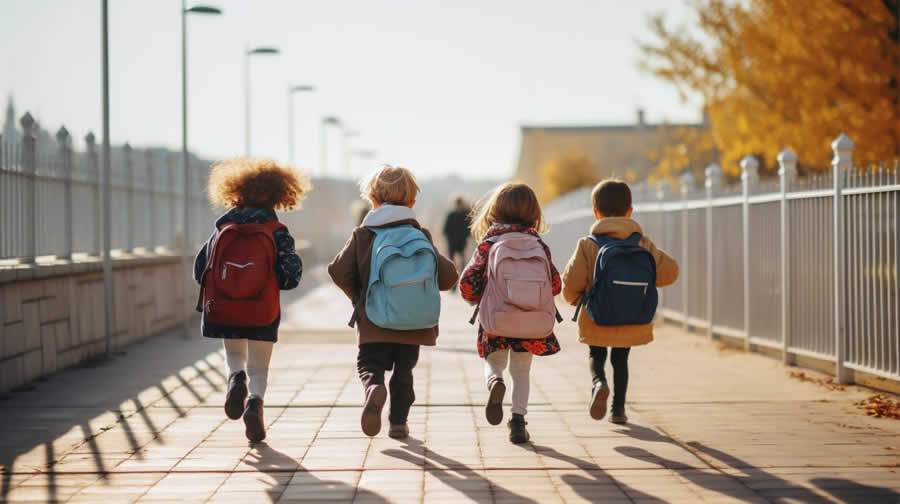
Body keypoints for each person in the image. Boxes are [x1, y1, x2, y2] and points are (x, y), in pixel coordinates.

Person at [328, 165, 458, 439]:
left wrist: (359, 298)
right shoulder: (420, 235)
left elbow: (338, 271)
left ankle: (374, 386)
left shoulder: (363, 235)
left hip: (374, 321)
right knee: (404, 371)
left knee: (369, 364)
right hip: (414, 324)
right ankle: (398, 423)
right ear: (412, 200)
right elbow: (448, 278)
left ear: (372, 199)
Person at [194, 158, 308, 443]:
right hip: (262, 309)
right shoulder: (277, 231)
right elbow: (290, 276)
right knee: (259, 365)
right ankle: (254, 403)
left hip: (225, 309)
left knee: (235, 356)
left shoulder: (222, 229)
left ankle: (235, 380)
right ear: (279, 194)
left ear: (234, 192)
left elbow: (200, 271)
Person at [562, 179, 678, 425]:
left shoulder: (588, 245)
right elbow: (671, 272)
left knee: (596, 353)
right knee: (621, 360)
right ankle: (618, 410)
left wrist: (574, 300)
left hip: (597, 315)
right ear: (629, 211)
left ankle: (599, 382)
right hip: (632, 316)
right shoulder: (642, 244)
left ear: (596, 212)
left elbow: (571, 282)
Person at [459, 183, 561, 444]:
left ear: (495, 211)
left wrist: (477, 297)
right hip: (531, 321)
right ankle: (518, 422)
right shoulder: (539, 245)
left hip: (497, 319)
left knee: (494, 362)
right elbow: (556, 284)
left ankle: (494, 382)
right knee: (522, 371)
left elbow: (467, 284)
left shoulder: (489, 244)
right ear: (533, 213)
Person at [443, 196, 471, 272]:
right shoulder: (451, 215)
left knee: (462, 258)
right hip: (453, 241)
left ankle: (462, 273)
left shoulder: (465, 214)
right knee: (452, 259)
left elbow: (469, 229)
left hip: (460, 241)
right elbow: (446, 229)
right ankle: (452, 273)